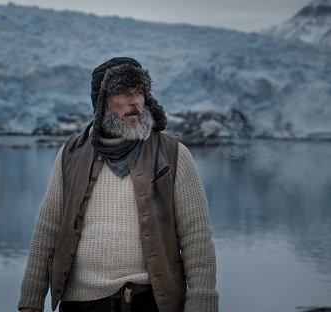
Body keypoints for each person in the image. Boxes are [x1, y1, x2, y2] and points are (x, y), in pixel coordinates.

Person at [18, 57, 218, 312]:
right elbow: (47, 231)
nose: (135, 102)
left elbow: (196, 237)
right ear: (101, 102)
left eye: (140, 93)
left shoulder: (173, 153)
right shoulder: (72, 153)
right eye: (124, 93)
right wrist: (31, 302)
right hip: (81, 305)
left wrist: (203, 303)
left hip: (151, 303)